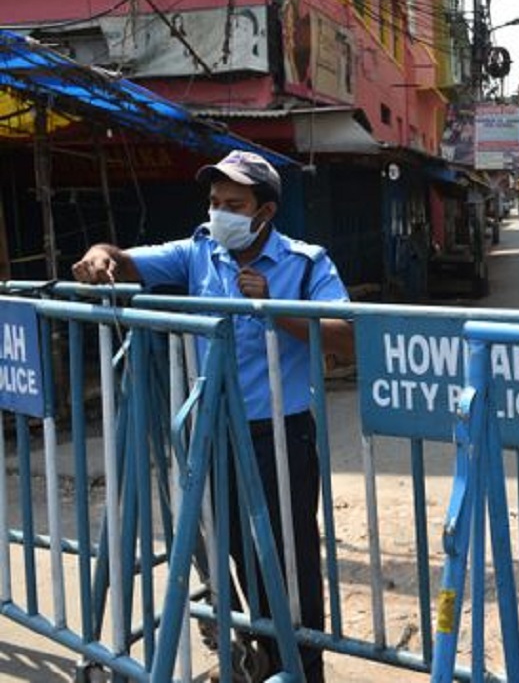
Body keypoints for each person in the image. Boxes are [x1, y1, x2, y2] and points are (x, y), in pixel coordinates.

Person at [72, 150, 354, 683]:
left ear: (264, 212)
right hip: (214, 433)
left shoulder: (306, 261)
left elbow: (347, 337)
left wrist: (276, 309)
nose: (219, 212)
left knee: (291, 560)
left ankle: (304, 668)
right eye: (214, 201)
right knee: (238, 553)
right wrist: (98, 255)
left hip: (280, 436)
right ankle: (268, 653)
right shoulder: (199, 251)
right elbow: (125, 259)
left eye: (234, 204)